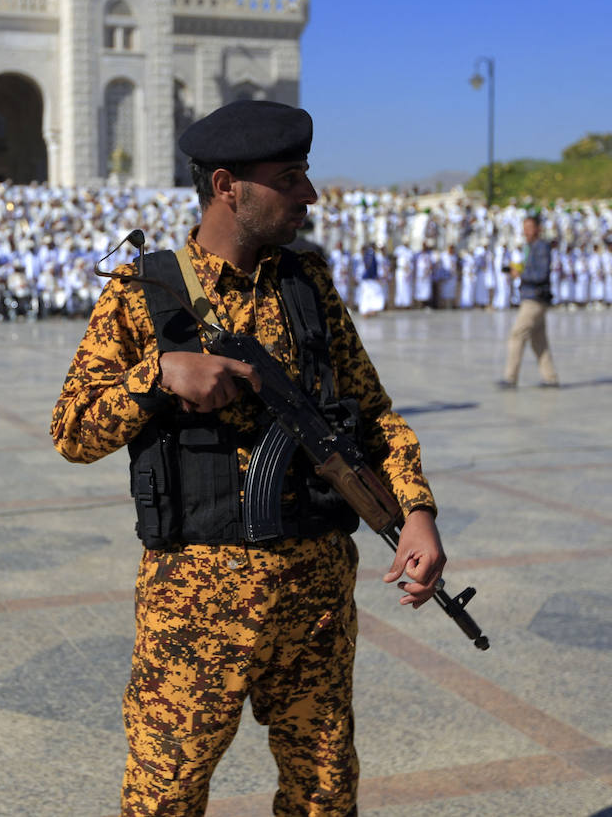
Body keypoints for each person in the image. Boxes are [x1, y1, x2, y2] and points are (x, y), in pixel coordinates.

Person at [51, 100, 446, 816]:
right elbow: (73, 429)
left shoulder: (308, 286)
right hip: (198, 601)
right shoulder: (148, 292)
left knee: (324, 793)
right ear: (228, 185)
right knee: (165, 796)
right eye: (290, 177)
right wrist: (158, 377)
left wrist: (416, 510)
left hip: (315, 595)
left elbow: (373, 414)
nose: (310, 195)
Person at [499, 214, 559, 388]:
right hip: (532, 296)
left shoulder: (541, 247)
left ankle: (510, 377)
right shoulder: (531, 247)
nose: (526, 231)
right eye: (524, 228)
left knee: (517, 335)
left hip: (535, 298)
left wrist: (521, 274)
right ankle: (550, 377)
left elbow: (541, 274)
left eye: (530, 228)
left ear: (538, 229)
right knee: (539, 340)